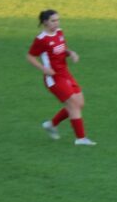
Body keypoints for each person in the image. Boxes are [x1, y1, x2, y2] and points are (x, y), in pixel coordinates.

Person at [26, 9, 95, 146]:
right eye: (53, 21)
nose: (56, 23)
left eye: (58, 20)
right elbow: (30, 56)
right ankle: (81, 138)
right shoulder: (41, 39)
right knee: (74, 106)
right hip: (53, 78)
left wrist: (70, 53)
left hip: (65, 73)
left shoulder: (59, 33)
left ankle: (51, 124)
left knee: (80, 103)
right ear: (45, 22)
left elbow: (61, 49)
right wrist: (43, 68)